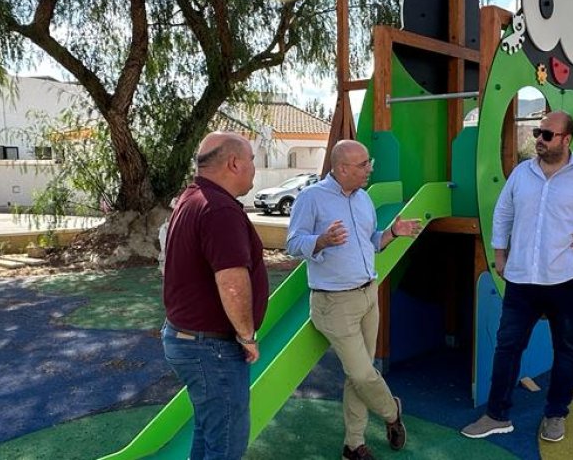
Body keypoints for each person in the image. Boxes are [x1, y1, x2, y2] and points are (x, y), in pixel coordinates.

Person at [462, 111, 573, 444]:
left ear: (566, 140)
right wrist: (500, 255)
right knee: (507, 346)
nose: (539, 140)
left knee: (567, 348)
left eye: (547, 135)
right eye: (537, 132)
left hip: (570, 278)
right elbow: (503, 213)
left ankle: (556, 413)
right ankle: (496, 415)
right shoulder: (522, 173)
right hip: (522, 279)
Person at [285, 140, 421, 460]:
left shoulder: (363, 200)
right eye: (363, 165)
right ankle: (391, 412)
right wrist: (321, 240)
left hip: (368, 295)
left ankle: (353, 445)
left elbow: (371, 241)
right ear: (342, 168)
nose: (369, 169)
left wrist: (393, 233)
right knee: (362, 374)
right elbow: (292, 243)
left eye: (368, 162)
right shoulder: (312, 198)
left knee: (357, 375)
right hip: (333, 303)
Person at [161, 132, 268, 460]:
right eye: (251, 160)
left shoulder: (193, 198)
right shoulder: (220, 209)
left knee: (209, 432)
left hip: (187, 339)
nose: (254, 167)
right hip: (211, 348)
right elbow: (232, 281)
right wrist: (247, 336)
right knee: (225, 445)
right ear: (234, 163)